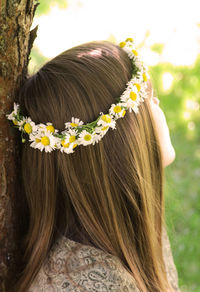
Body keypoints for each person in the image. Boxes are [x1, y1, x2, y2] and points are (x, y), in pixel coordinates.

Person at [7, 39, 179, 292]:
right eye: (148, 99)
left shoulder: (126, 222)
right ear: (121, 146)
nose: (157, 106)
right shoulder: (93, 284)